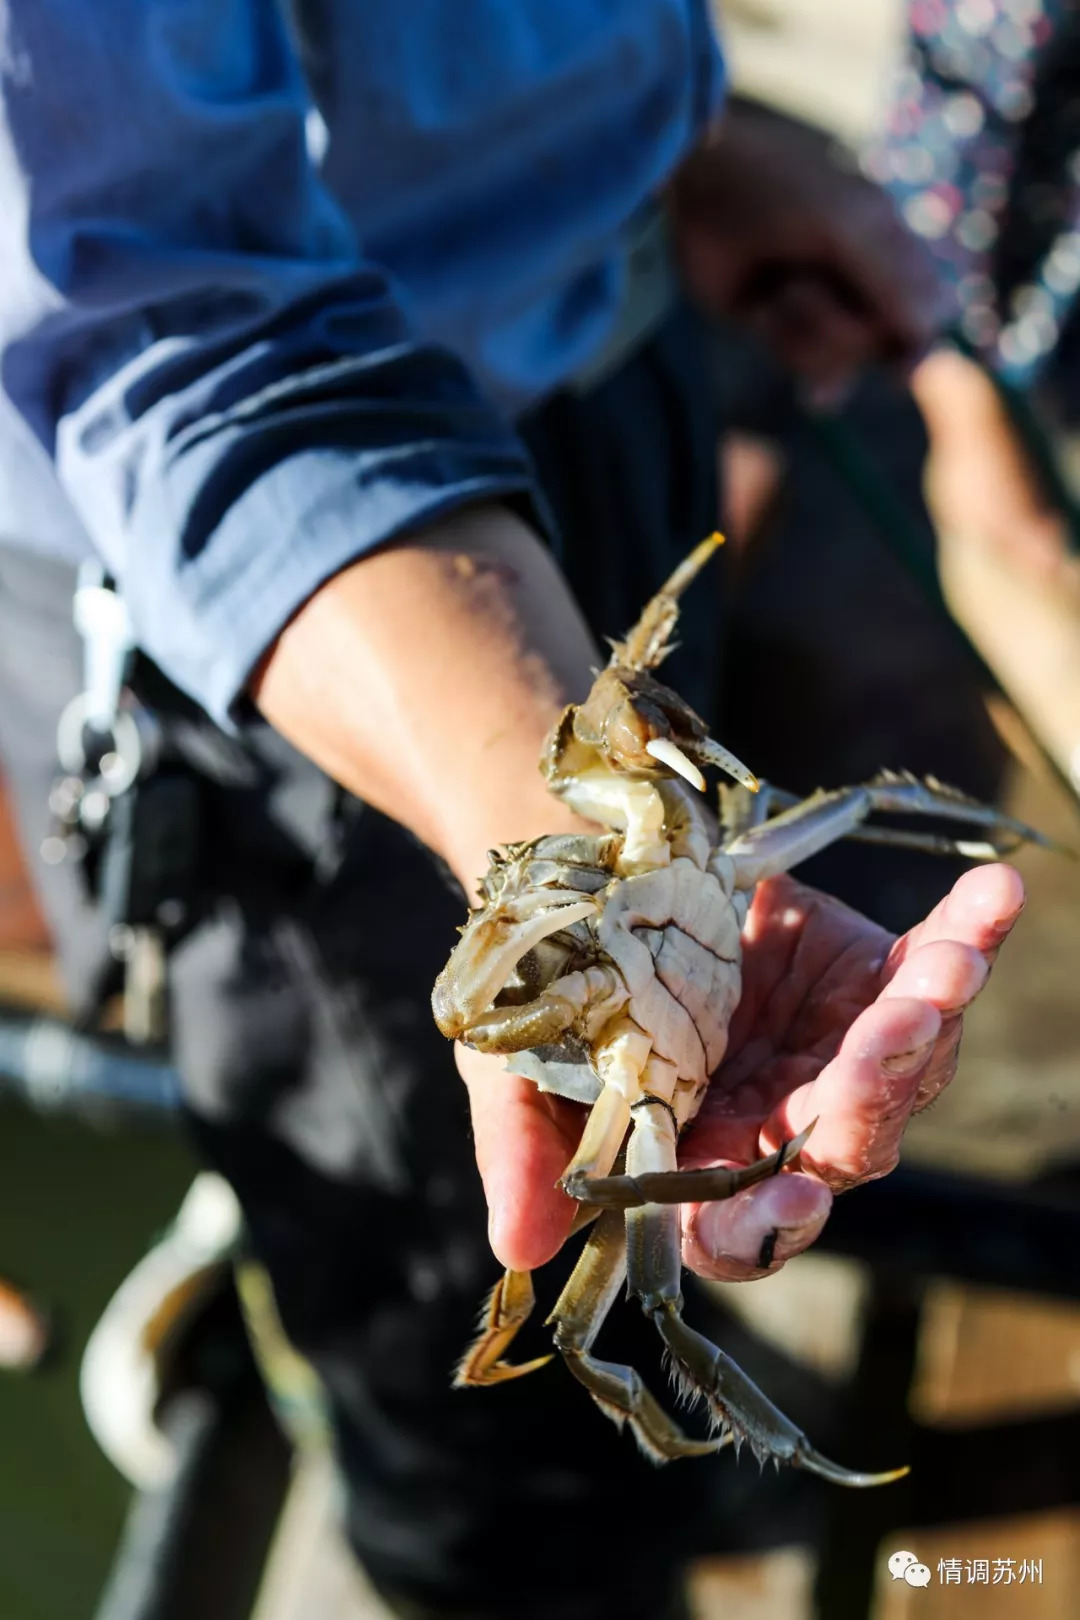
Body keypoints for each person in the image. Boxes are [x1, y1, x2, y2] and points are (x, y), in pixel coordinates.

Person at [0, 5, 1025, 1616]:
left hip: (609, 340)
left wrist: (661, 145)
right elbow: (168, 326)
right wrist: (535, 833)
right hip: (274, 607)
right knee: (501, 1313)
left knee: (664, 1207)